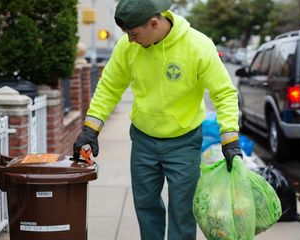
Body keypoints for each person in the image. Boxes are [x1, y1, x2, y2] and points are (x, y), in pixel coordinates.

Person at [73, 0, 242, 239]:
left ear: (154, 23)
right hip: (143, 139)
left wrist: (230, 139)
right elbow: (109, 86)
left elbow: (224, 92)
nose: (130, 40)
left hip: (184, 141)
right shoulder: (127, 47)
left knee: (182, 210)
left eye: (133, 33)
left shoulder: (198, 45)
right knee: (146, 206)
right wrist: (91, 128)